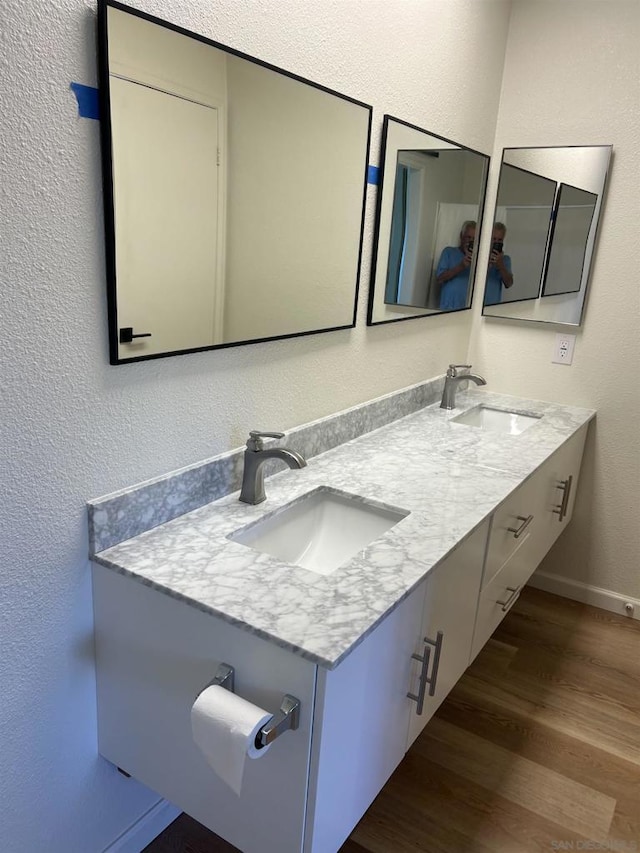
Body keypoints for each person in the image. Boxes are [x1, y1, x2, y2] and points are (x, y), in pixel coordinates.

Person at [437, 221, 476, 310]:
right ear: (461, 236)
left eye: (474, 239)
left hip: (469, 311)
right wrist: (461, 266)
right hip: (448, 308)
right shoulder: (448, 252)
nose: (471, 241)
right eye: (468, 237)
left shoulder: (481, 260)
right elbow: (440, 279)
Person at [483, 222, 513, 305]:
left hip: (492, 306)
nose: (496, 242)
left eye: (500, 240)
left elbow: (509, 283)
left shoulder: (505, 260)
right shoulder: (480, 257)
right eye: (494, 239)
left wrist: (500, 265)